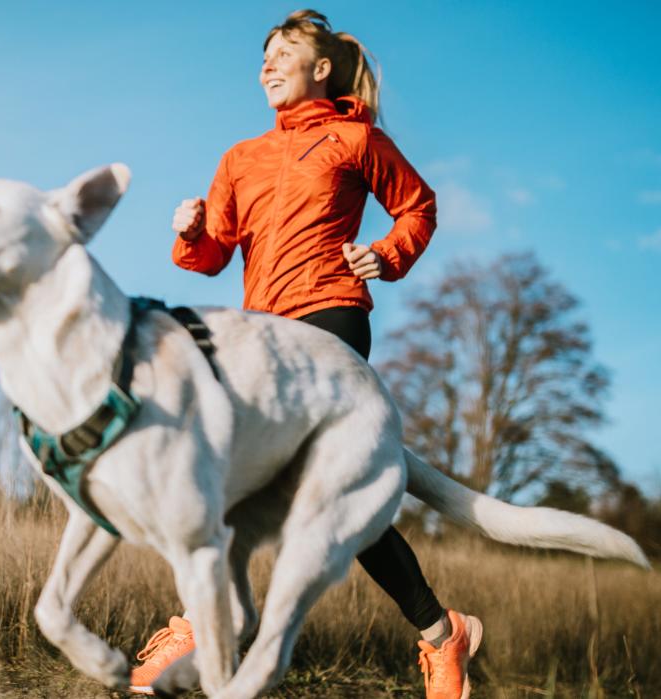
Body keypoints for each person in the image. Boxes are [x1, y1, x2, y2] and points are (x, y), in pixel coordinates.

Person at [128, 10, 482, 699]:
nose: (266, 64)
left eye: (282, 52)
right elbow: (210, 256)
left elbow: (419, 207)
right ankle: (443, 633)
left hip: (331, 314)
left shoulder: (356, 139)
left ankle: (200, 624)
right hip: (259, 336)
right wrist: (192, 232)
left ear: (321, 69)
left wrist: (383, 253)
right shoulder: (239, 158)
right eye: (261, 55)